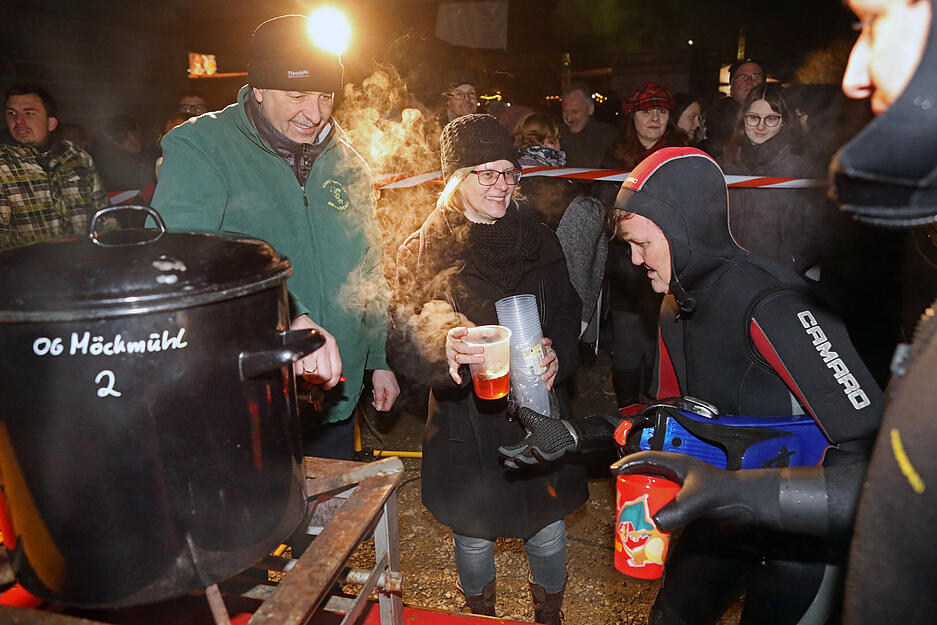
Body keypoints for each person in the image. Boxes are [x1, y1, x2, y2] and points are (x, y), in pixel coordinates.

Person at [501, 146, 885, 625]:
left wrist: (775, 502)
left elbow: (869, 445)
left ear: (684, 230)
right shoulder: (674, 307)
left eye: (642, 244)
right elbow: (671, 415)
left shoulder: (774, 304)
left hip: (803, 537)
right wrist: (577, 434)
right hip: (722, 510)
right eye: (629, 248)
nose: (636, 261)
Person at [152, 14, 399, 459]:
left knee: (335, 520)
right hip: (245, 392)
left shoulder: (349, 165)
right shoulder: (201, 148)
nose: (315, 112)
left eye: (326, 95)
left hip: (334, 391)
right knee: (266, 522)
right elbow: (177, 259)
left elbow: (370, 271)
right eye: (297, 94)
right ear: (259, 89)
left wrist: (379, 359)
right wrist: (286, 316)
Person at [387, 114, 586, 624]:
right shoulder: (424, 249)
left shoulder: (538, 238)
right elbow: (402, 333)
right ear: (457, 178)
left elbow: (568, 309)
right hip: (464, 421)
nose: (503, 186)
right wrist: (444, 349)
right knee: (472, 534)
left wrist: (558, 353)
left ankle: (550, 614)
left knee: (547, 528)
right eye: (487, 173)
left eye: (509, 173)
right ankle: (479, 616)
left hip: (534, 409)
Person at [600, 83, 685, 406]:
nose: (654, 118)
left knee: (661, 344)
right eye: (646, 111)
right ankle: (627, 413)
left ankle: (657, 413)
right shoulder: (615, 156)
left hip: (668, 263)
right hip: (626, 264)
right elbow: (605, 206)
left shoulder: (681, 154)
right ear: (632, 116)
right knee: (626, 343)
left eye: (661, 111)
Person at [514, 112, 608, 351]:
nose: (560, 146)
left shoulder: (507, 178)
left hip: (516, 300)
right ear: (547, 142)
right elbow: (581, 265)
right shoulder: (564, 188)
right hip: (555, 298)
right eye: (557, 140)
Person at [717, 83, 832, 276]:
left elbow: (815, 227)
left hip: (777, 275)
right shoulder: (726, 164)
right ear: (743, 119)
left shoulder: (802, 168)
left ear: (784, 121)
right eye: (753, 118)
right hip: (730, 273)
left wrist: (790, 264)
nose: (761, 126)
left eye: (771, 118)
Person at [1, 83, 108, 249]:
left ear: (51, 123)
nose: (19, 121)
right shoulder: (3, 164)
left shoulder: (77, 157)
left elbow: (104, 216)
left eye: (29, 113)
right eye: (11, 113)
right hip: (29, 269)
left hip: (85, 262)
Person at [699, 58, 765, 156]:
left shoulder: (777, 112)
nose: (750, 82)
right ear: (732, 85)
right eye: (743, 77)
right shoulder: (717, 114)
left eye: (756, 77)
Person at [559, 82, 617, 168]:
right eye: (566, 112)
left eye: (575, 111)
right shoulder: (556, 135)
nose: (569, 118)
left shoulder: (610, 136)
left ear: (590, 109)